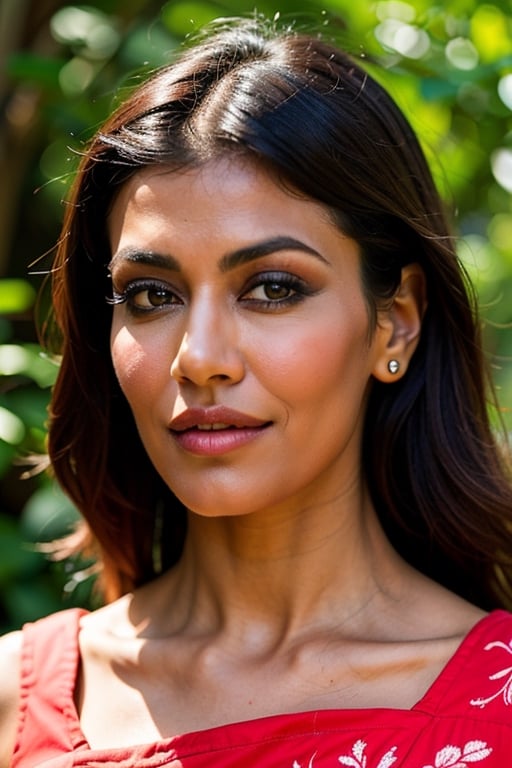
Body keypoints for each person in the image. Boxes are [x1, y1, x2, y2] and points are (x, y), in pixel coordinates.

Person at [1, 16, 512, 767]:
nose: (200, 359)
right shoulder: (18, 700)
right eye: (149, 295)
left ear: (395, 325)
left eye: (272, 288)